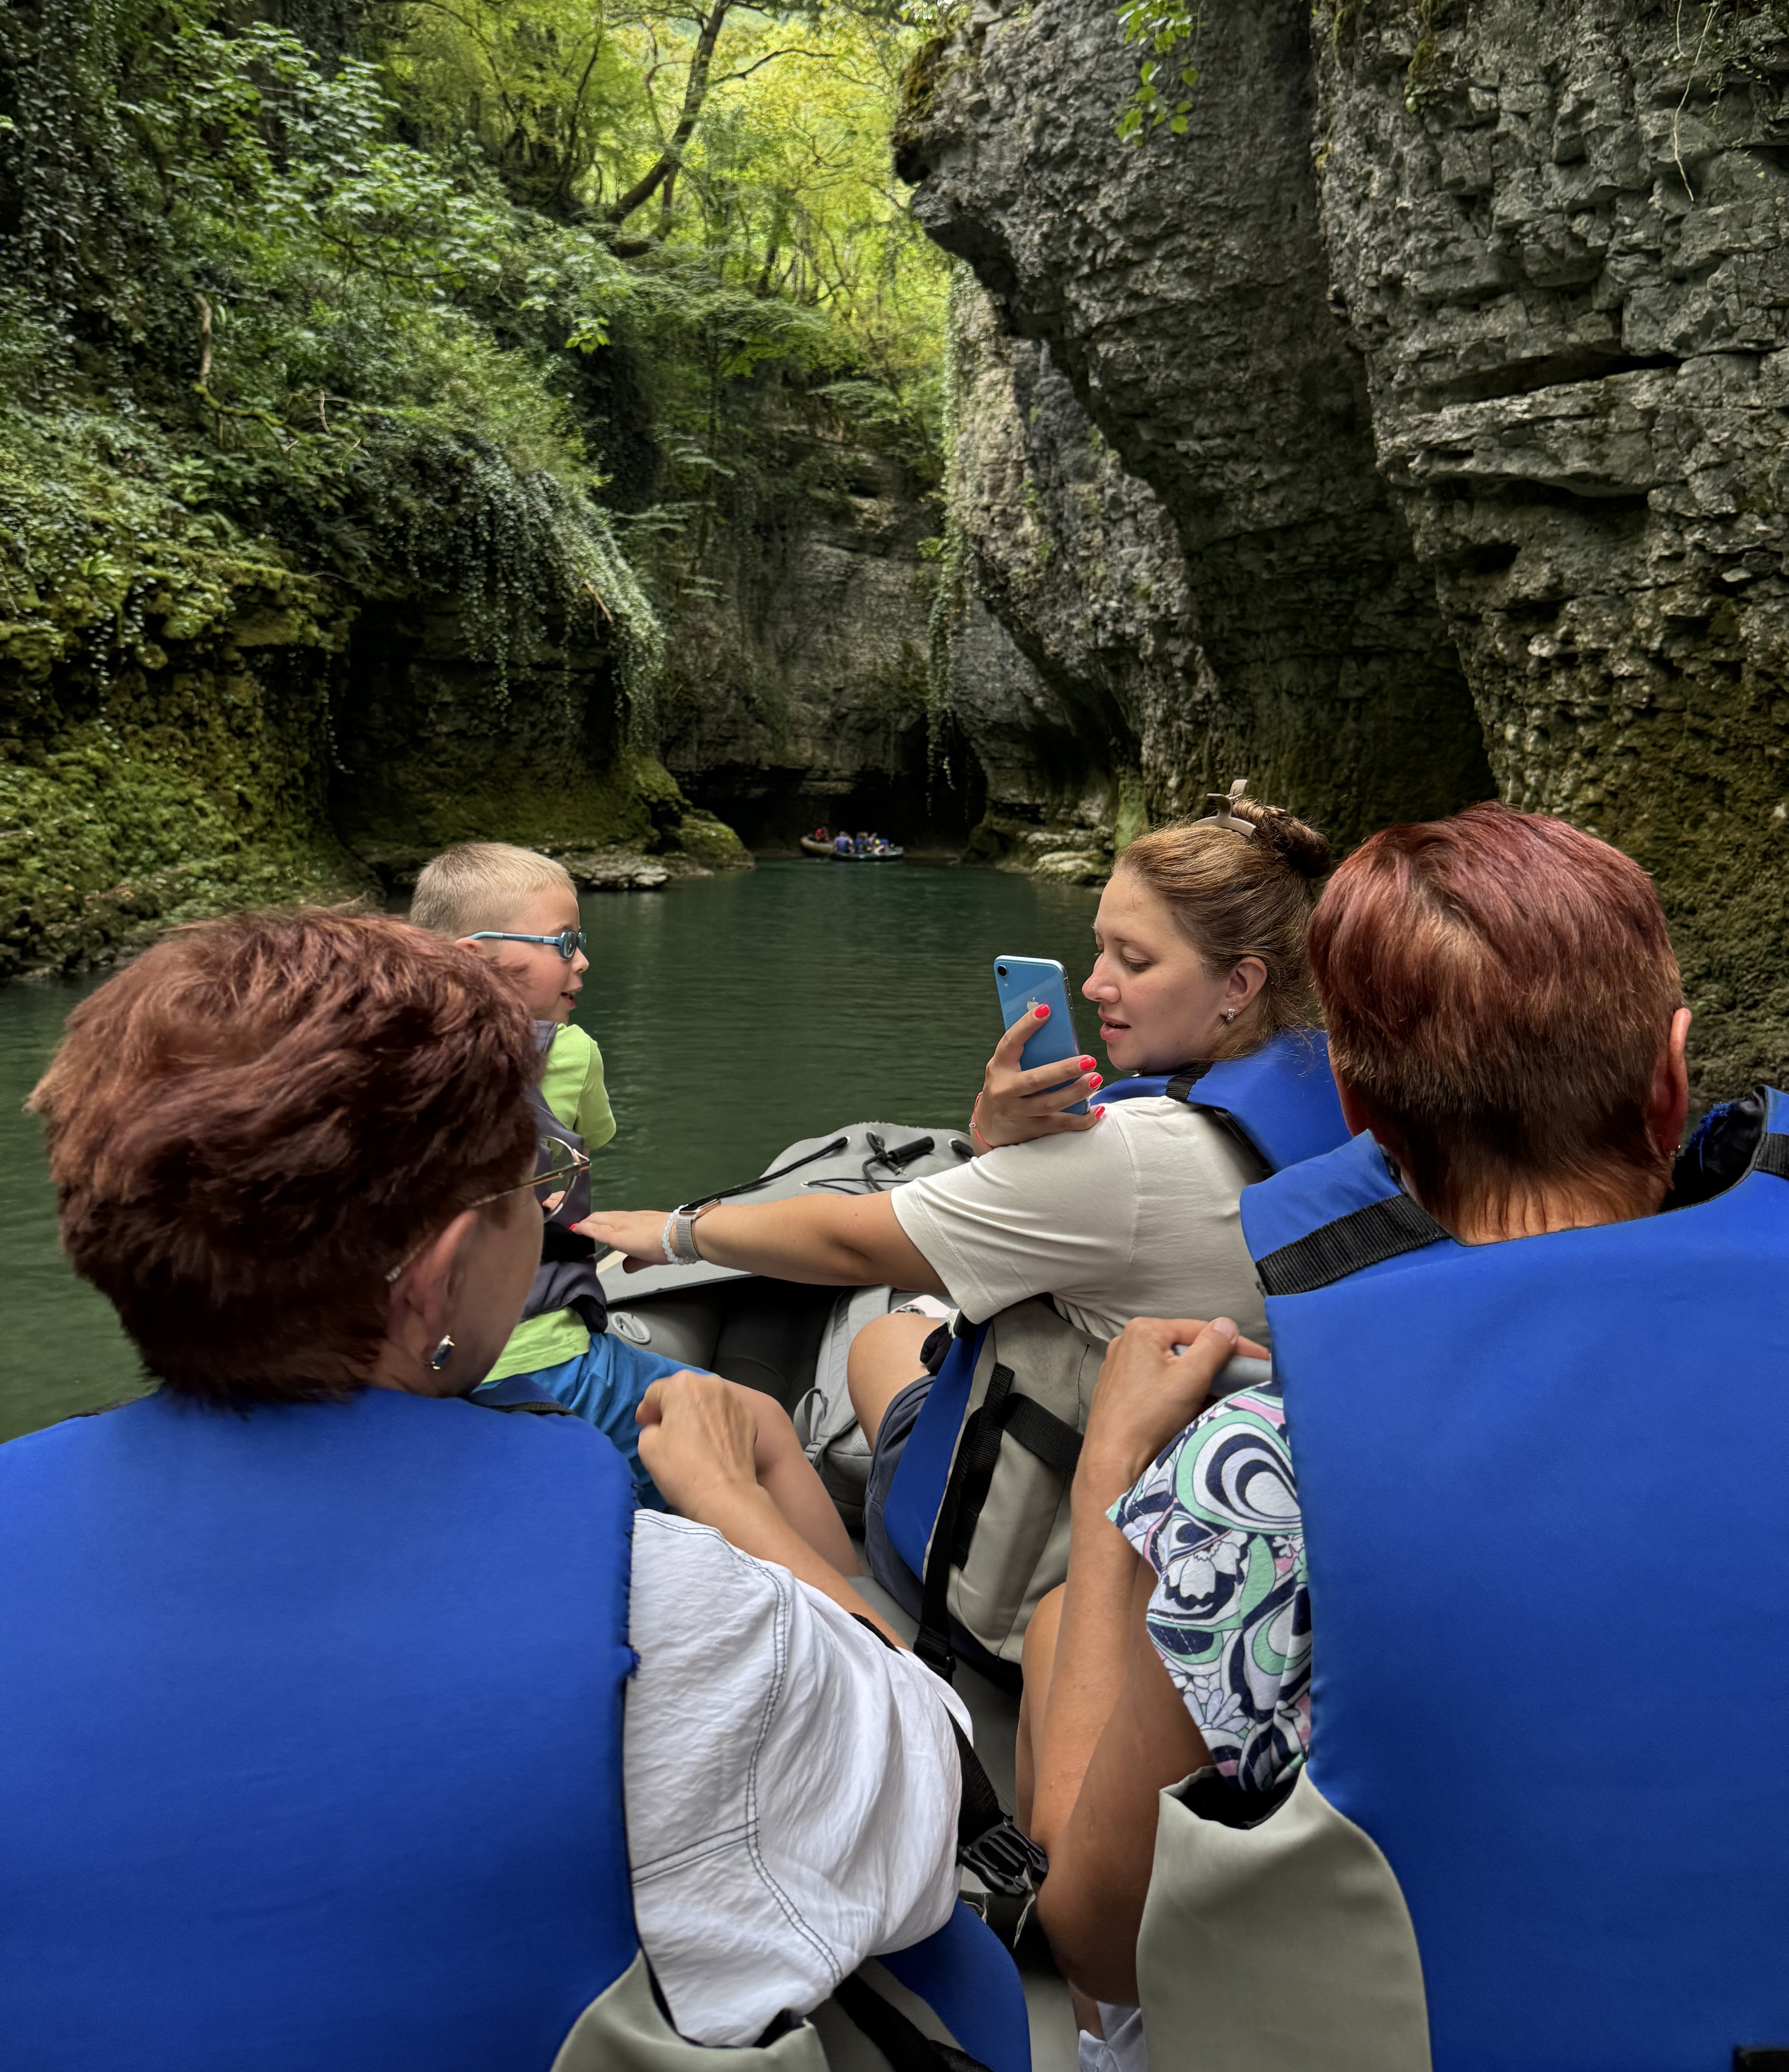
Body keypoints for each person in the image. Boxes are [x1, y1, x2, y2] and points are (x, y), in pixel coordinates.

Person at [1, 910, 971, 2069]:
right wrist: (732, 1504)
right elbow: (939, 1797)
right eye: (532, 1184)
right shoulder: (674, 1611)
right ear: (444, 1274)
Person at [1029, 802, 1789, 2068]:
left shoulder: (1256, 1474)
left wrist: (1114, 1485)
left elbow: (1098, 1938)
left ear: (1356, 1111)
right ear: (1670, 1072)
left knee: (1072, 1619)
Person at [585, 799, 1343, 1672]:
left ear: (1240, 985)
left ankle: (876, 1637)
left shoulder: (1134, 1159)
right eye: (1100, 948)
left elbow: (852, 1244)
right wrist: (994, 1136)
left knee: (881, 1339)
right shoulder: (1341, 1097)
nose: (1095, 984)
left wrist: (680, 1232)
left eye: (1134, 961)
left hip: (1034, 1574)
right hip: (1210, 1525)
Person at [411, 843, 850, 1567]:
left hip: (420, 1369)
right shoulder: (569, 1051)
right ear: (475, 960)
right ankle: (868, 1612)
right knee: (764, 1425)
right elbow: (596, 1133)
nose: (582, 962)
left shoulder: (374, 1062)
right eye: (565, 943)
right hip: (542, 1359)